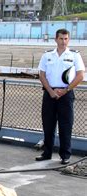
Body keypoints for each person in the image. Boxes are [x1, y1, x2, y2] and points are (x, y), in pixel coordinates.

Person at [35, 28, 85, 165]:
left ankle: (65, 155)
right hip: (49, 94)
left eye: (66, 39)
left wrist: (66, 90)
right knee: (48, 125)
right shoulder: (47, 55)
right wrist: (50, 91)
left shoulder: (74, 55)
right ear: (56, 39)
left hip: (66, 94)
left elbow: (80, 75)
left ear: (68, 40)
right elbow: (42, 75)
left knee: (65, 125)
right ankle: (47, 153)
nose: (63, 42)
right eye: (61, 38)